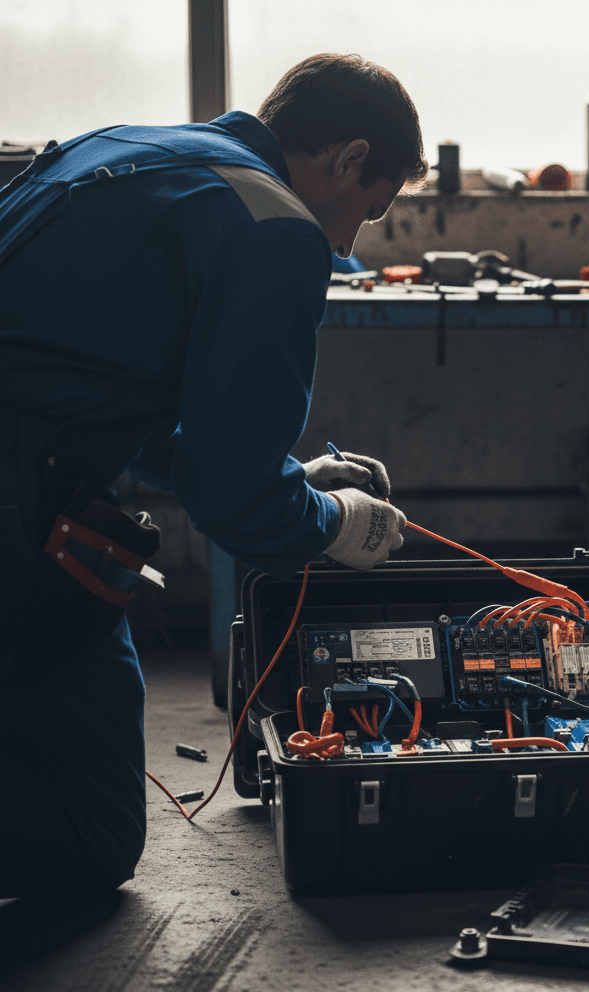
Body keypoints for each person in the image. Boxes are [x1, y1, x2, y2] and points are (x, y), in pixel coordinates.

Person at [0, 54, 426, 896]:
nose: (346, 246)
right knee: (95, 829)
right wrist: (334, 522)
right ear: (346, 160)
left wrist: (293, 476)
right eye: (368, 213)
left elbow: (101, 394)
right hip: (18, 492)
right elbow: (233, 503)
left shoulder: (130, 145)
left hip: (36, 452)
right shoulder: (278, 227)